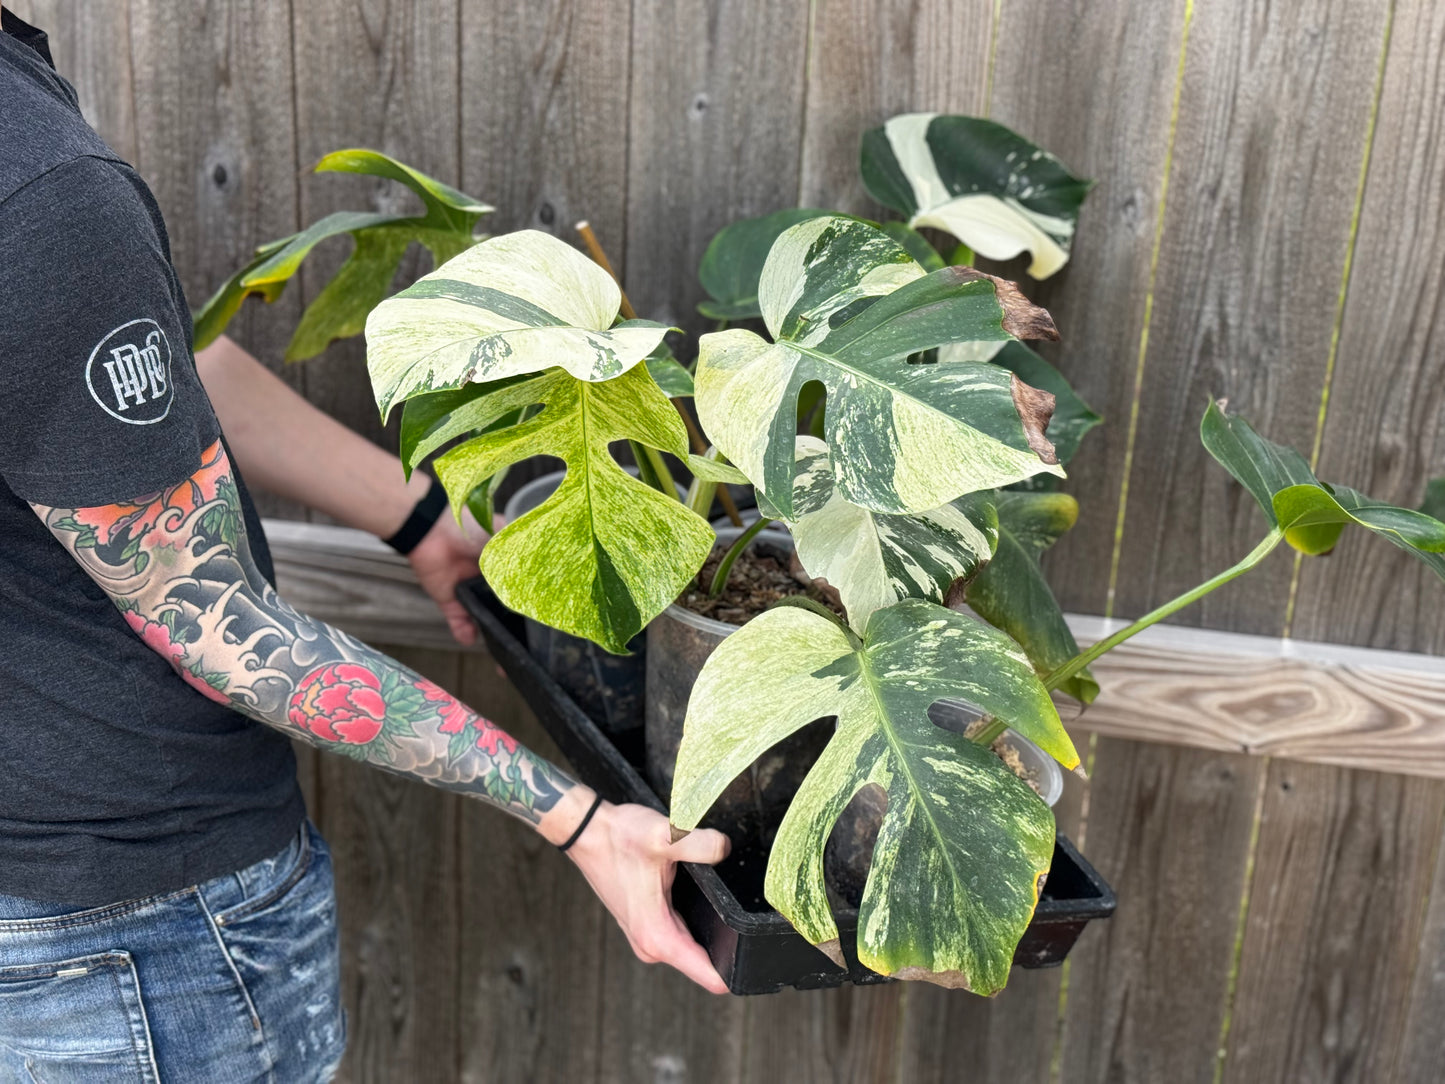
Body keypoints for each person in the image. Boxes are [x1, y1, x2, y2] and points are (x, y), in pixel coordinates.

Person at [0, 9, 729, 1080]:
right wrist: (578, 820)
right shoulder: (37, 188)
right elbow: (219, 625)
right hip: (135, 945)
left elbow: (139, 383)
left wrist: (418, 515)